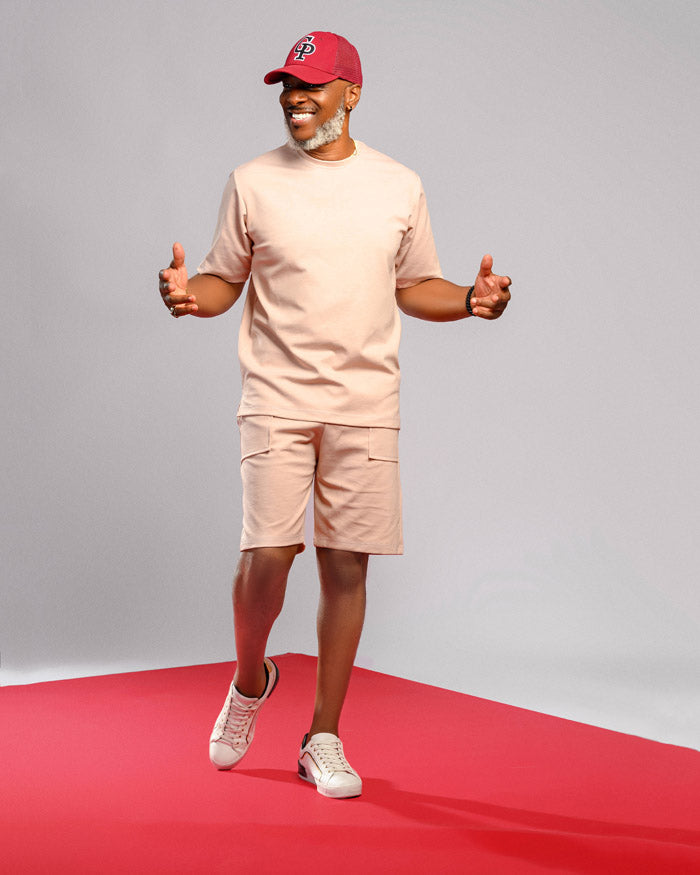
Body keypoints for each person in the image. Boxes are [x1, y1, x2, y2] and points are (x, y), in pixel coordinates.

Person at [158, 31, 511, 799]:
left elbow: (415, 286)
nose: (296, 98)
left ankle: (322, 735)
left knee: (346, 565)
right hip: (277, 396)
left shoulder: (398, 185)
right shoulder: (252, 182)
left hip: (364, 402)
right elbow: (223, 279)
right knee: (267, 555)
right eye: (288, 86)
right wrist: (190, 297)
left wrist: (469, 300)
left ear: (351, 93)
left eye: (312, 85)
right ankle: (250, 677)